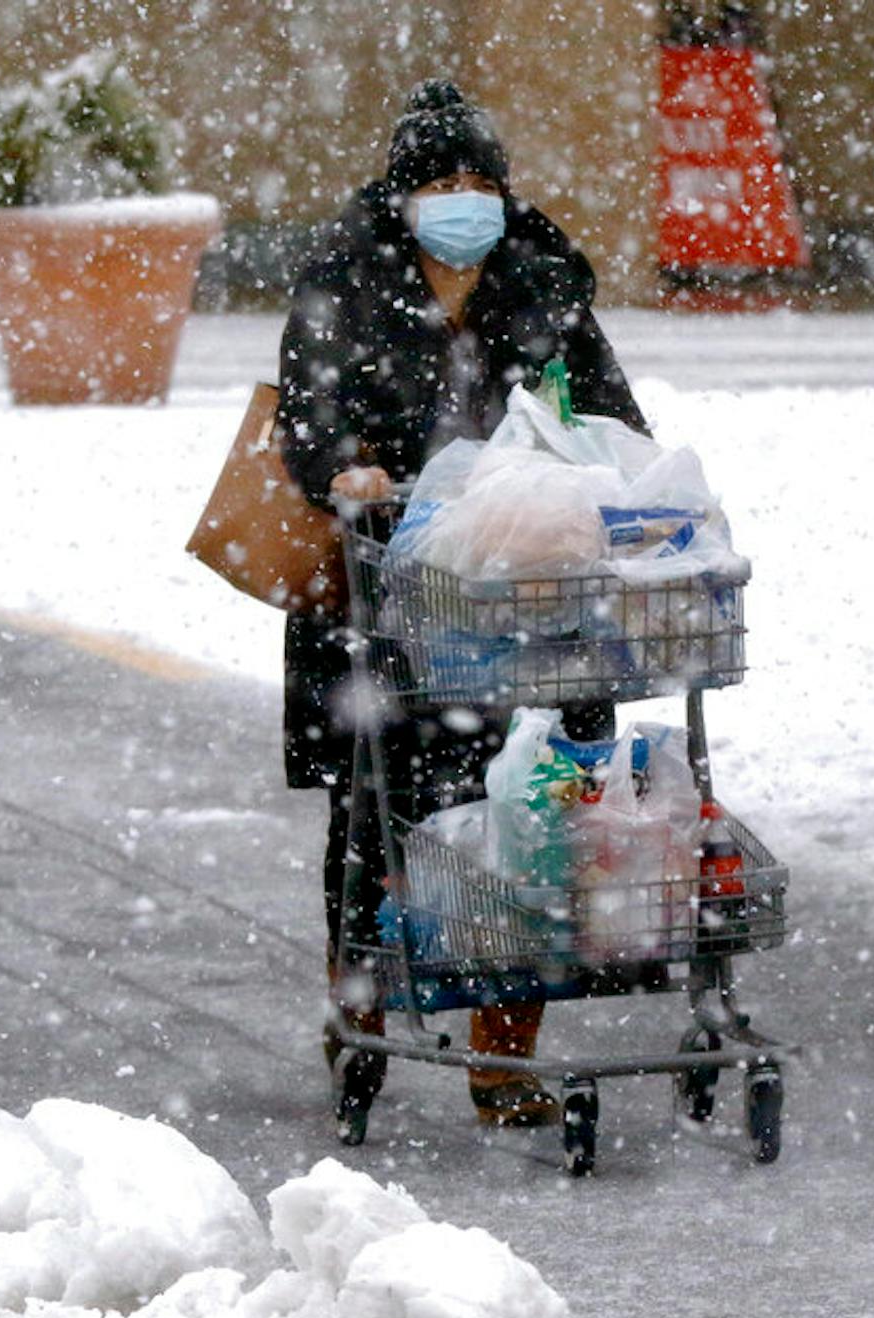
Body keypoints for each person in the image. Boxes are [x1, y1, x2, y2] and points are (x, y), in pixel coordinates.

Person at [277, 79, 646, 1129]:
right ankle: (360, 1015)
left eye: (480, 180)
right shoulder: (344, 285)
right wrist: (349, 468)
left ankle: (503, 1054)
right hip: (391, 590)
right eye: (441, 181)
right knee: (380, 810)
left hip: (527, 590)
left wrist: (631, 487)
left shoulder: (539, 285)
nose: (463, 199)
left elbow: (613, 415)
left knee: (532, 810)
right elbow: (310, 411)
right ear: (402, 196)